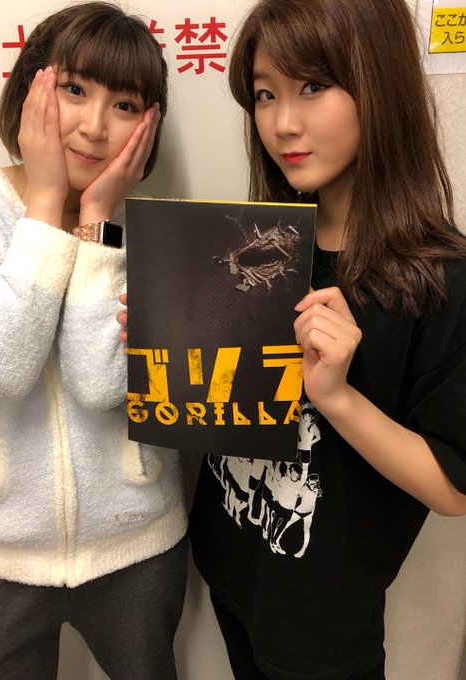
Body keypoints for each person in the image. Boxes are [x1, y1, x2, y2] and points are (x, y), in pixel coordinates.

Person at [188, 0, 466, 678]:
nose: (283, 122)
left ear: (378, 84)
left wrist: (336, 397)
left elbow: (453, 489)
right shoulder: (259, 241)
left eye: (313, 86)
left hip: (321, 619)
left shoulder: (439, 277)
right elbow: (228, 399)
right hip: (227, 557)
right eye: (264, 94)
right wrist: (168, 344)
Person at [0, 3, 187, 679]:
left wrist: (97, 219)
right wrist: (45, 206)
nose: (95, 126)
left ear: (149, 125)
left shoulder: (149, 233)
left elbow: (100, 385)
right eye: (74, 89)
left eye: (124, 105)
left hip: (137, 543)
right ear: (29, 87)